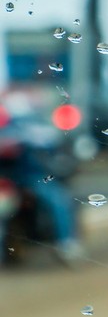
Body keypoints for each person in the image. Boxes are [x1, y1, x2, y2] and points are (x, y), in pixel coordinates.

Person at [0, 109, 82, 264]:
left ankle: (66, 242)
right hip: (11, 184)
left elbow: (48, 144)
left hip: (31, 180)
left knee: (58, 200)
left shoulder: (24, 128)